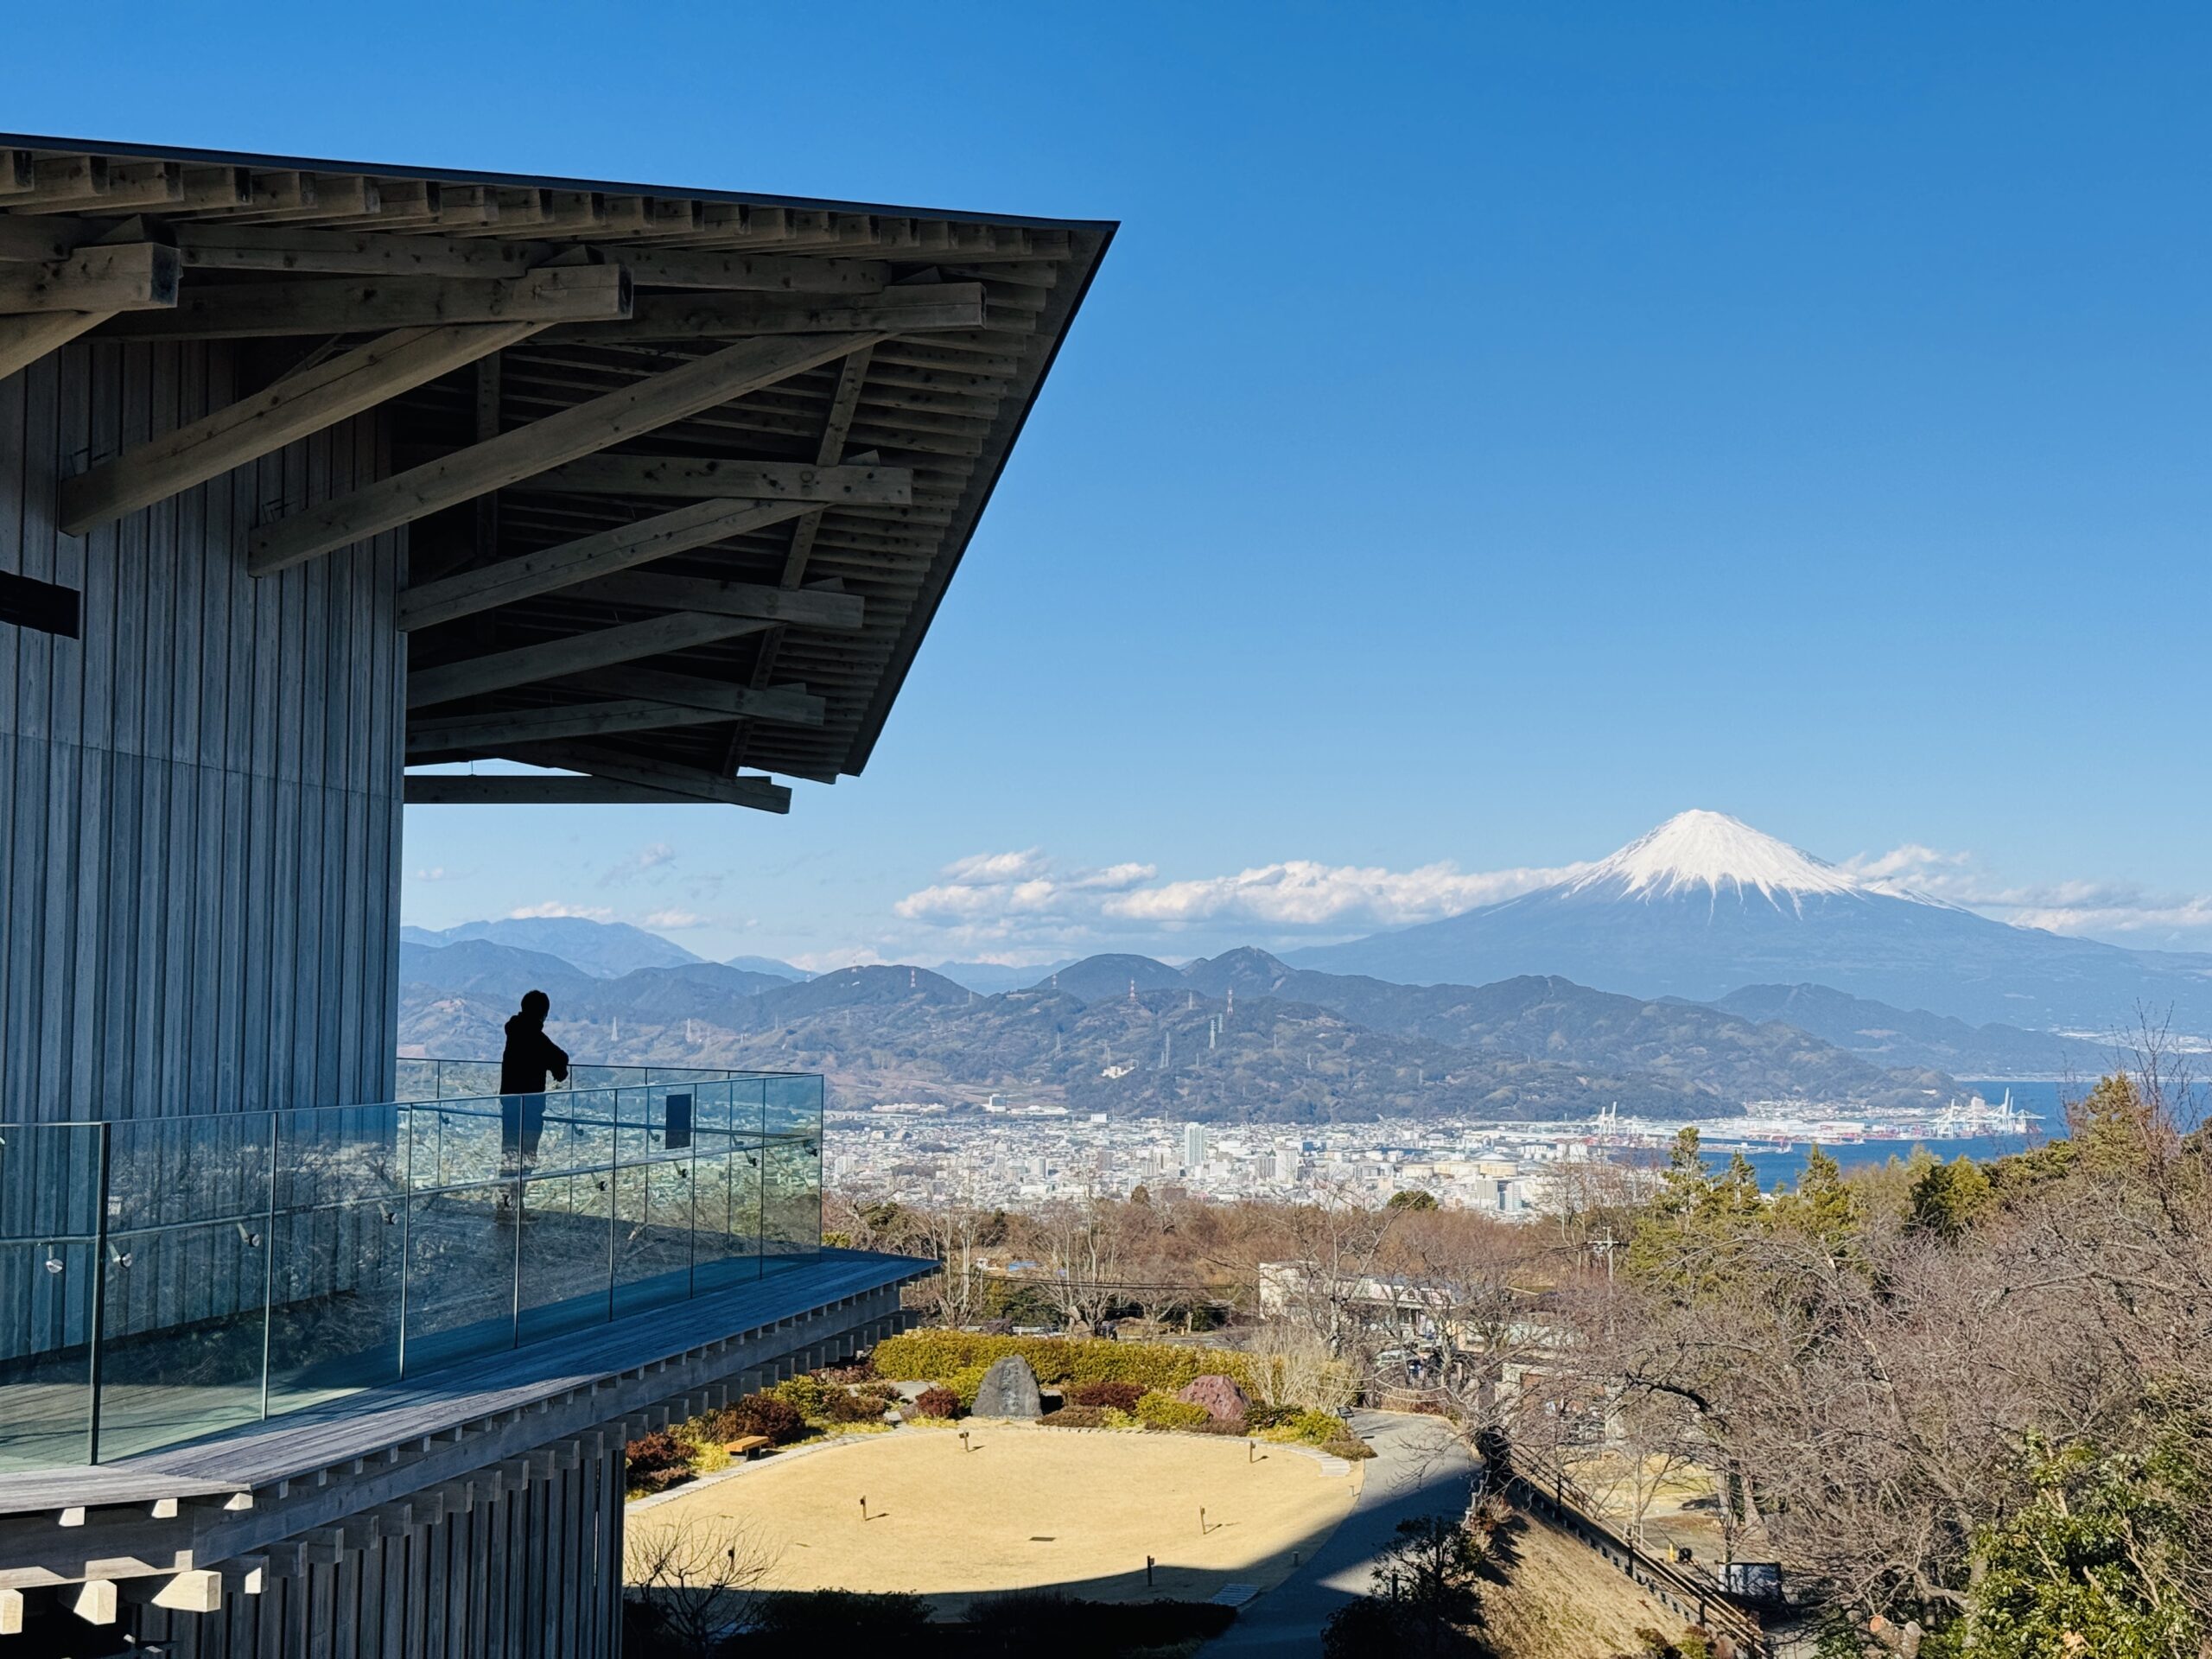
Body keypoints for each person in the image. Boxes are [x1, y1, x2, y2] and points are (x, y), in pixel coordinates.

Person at [499, 989, 569, 1176]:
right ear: (543, 1014)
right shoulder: (534, 1037)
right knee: (526, 1159)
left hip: (510, 1105)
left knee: (509, 1156)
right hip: (530, 1109)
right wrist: (559, 1070)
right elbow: (559, 1057)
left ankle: (505, 1202)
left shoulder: (515, 1033)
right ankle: (514, 1201)